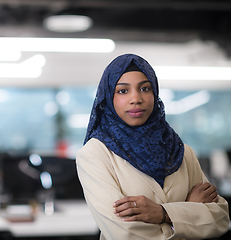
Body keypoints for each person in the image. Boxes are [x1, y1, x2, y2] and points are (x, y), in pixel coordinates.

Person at [76, 53, 230, 240]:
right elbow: (125, 235)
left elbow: (220, 218)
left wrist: (163, 213)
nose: (136, 99)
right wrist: (190, 213)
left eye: (145, 88)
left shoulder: (182, 152)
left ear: (155, 93)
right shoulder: (95, 154)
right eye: (123, 91)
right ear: (108, 98)